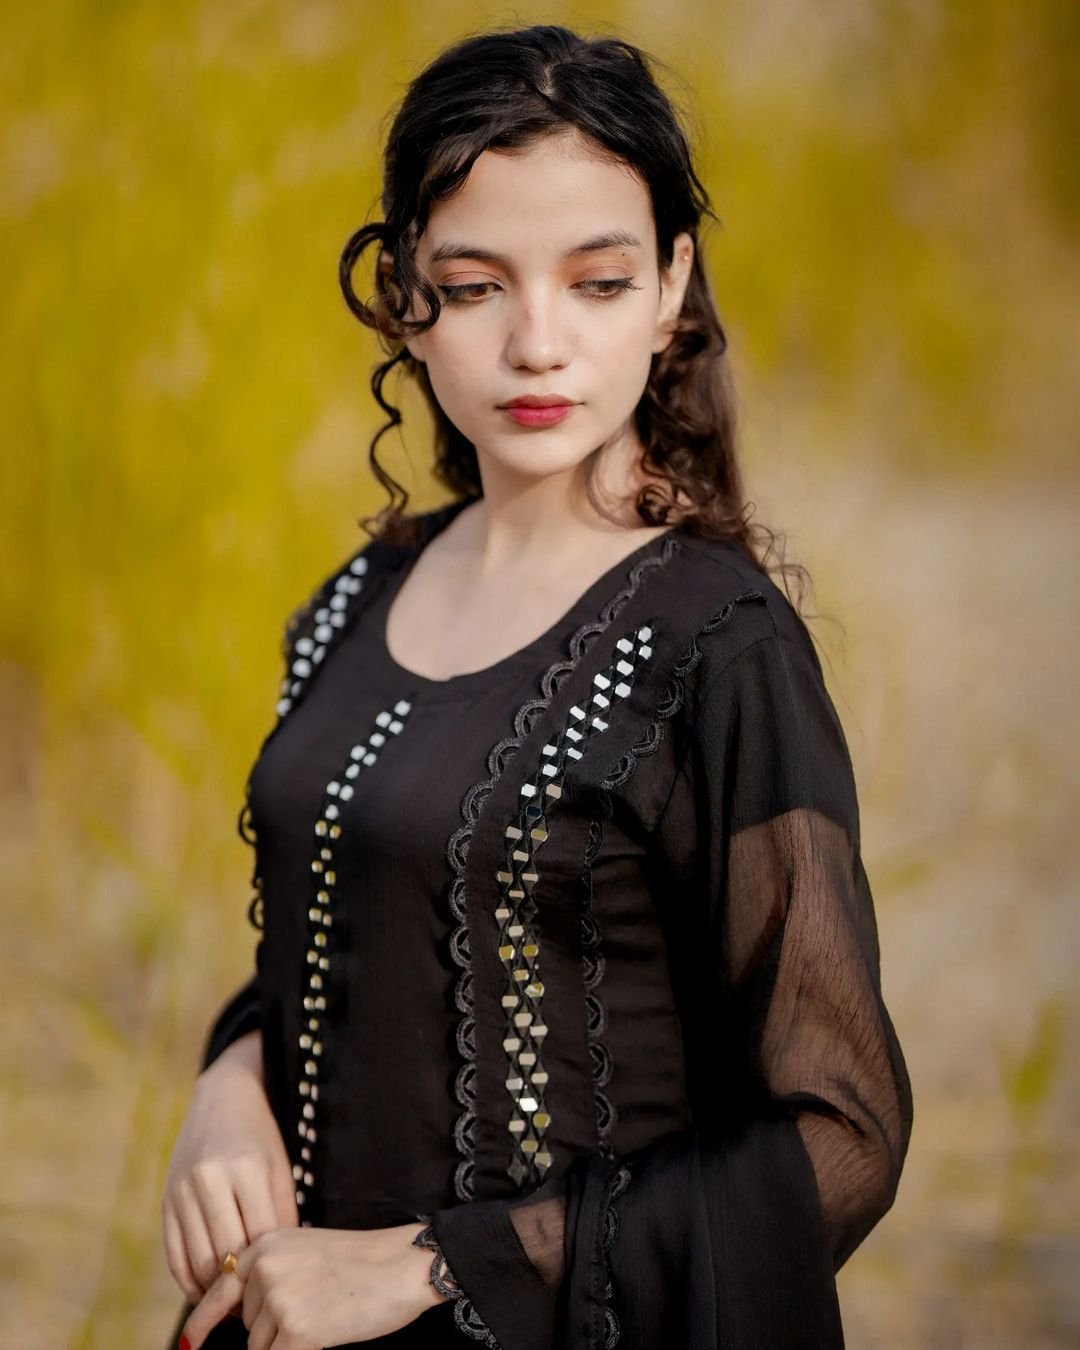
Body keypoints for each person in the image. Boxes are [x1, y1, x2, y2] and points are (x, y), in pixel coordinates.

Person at [162, 23, 912, 1350]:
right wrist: (230, 1075)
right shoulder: (354, 599)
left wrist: (430, 1266)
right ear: (404, 296)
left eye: (599, 281)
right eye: (476, 286)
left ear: (672, 287)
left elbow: (842, 1135)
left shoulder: (719, 645)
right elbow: (357, 937)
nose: (538, 343)